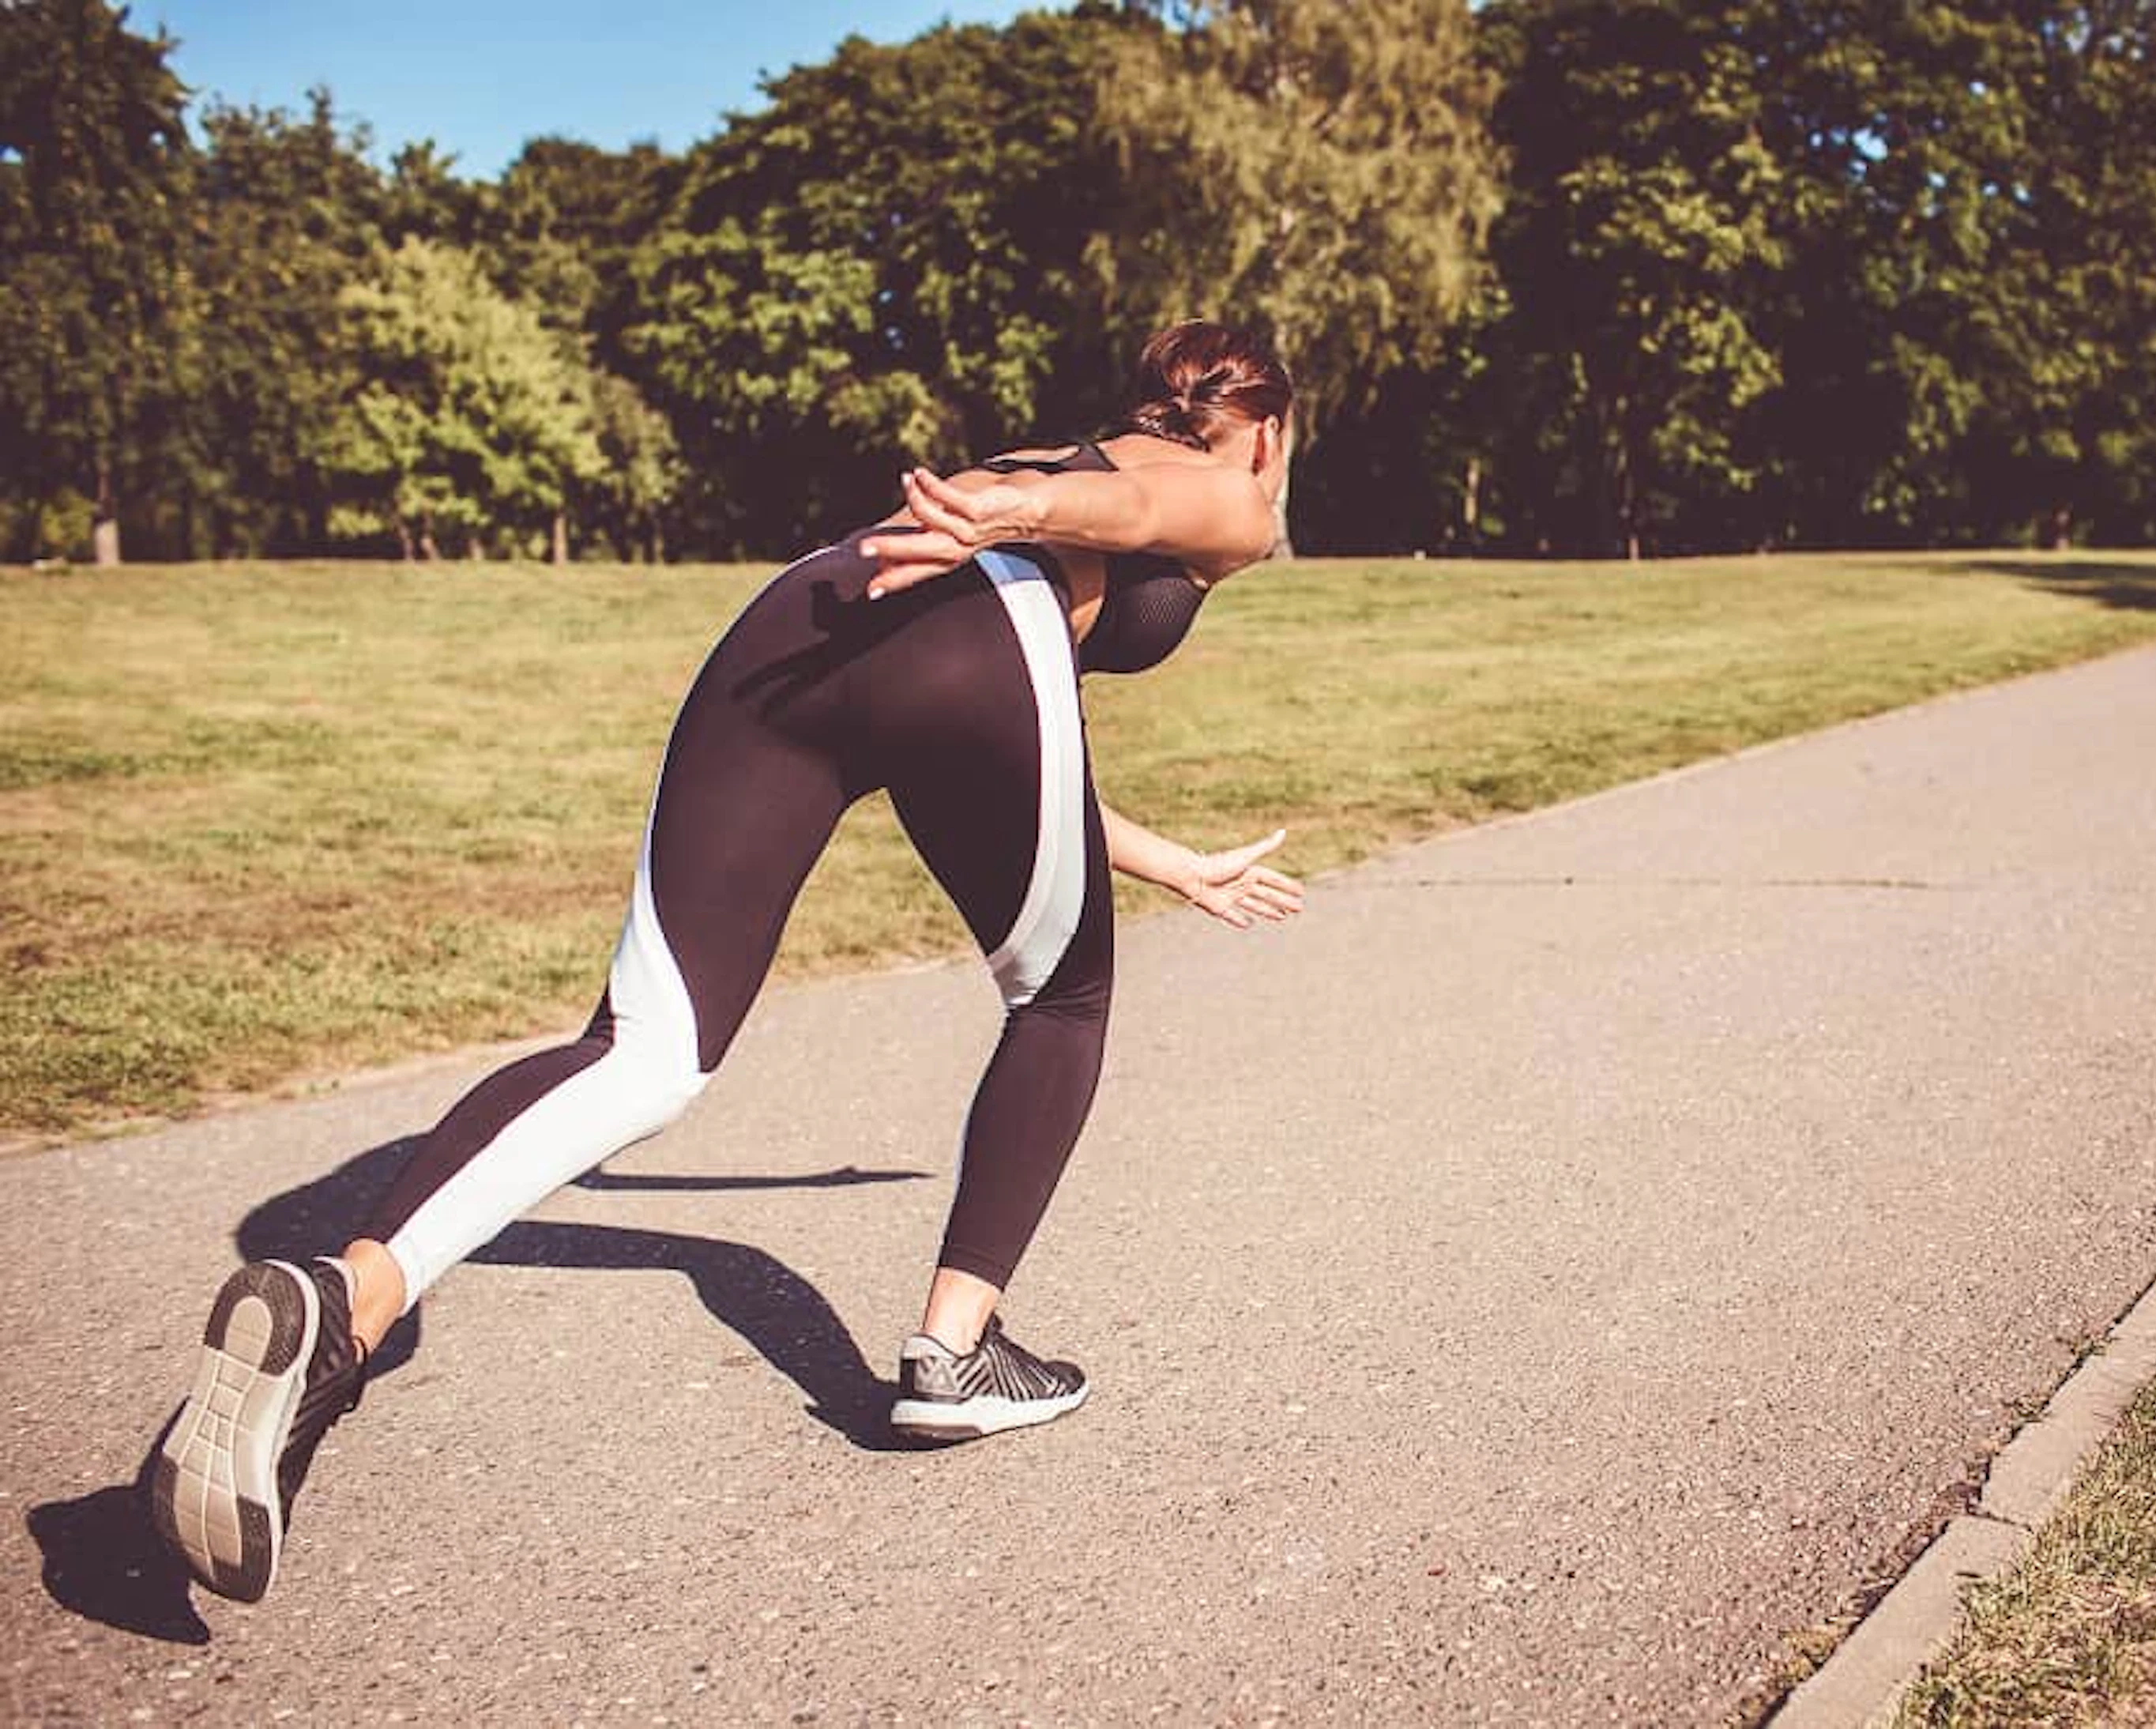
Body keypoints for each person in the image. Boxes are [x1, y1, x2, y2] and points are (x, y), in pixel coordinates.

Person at [149, 320, 1306, 1604]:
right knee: (1061, 999)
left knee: (644, 1049)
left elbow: (1016, 748)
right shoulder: (1232, 492)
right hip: (975, 632)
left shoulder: (1043, 468)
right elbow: (1145, 507)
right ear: (1265, 430)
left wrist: (1175, 863)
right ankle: (955, 1357)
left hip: (800, 620)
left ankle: (338, 1307)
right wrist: (1015, 509)